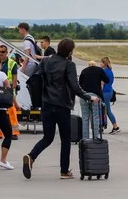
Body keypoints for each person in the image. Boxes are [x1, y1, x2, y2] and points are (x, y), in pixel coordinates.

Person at [22, 38, 98, 180]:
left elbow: (36, 79)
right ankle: (64, 171)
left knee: (47, 137)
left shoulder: (46, 61)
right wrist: (89, 97)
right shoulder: (69, 65)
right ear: (69, 51)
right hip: (62, 106)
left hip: (46, 104)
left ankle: (31, 156)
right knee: (65, 139)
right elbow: (75, 87)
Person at [78, 61, 109, 139]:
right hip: (95, 95)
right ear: (95, 65)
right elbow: (107, 80)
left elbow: (80, 83)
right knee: (95, 117)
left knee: (85, 118)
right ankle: (95, 137)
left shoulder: (84, 71)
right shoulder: (99, 70)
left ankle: (85, 138)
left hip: (84, 95)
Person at [100, 57, 120, 134]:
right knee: (106, 110)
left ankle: (115, 126)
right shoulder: (110, 71)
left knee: (106, 110)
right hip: (110, 91)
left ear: (104, 64)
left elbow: (102, 83)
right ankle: (104, 125)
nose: (100, 64)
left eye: (101, 62)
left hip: (105, 92)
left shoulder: (104, 72)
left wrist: (99, 92)